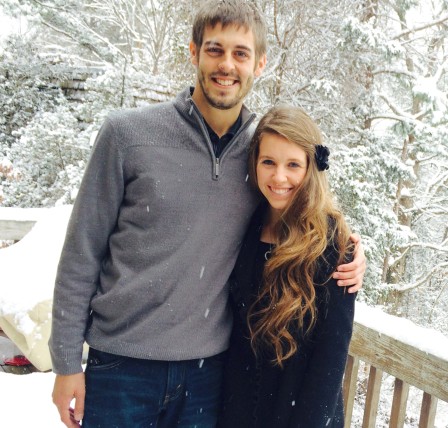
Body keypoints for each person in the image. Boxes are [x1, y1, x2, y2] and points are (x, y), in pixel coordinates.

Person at [48, 2, 365, 427]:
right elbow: (81, 253)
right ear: (194, 52)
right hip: (122, 368)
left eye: (240, 53)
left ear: (260, 63)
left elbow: (304, 198)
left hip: (210, 377)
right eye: (215, 50)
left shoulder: (263, 152)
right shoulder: (128, 134)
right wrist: (67, 362)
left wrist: (349, 248)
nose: (227, 65)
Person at [217, 105, 355, 427]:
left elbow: (331, 360)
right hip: (238, 409)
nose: (279, 177)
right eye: (269, 162)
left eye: (293, 164)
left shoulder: (333, 244)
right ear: (254, 164)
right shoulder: (246, 226)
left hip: (297, 413)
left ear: (311, 167)